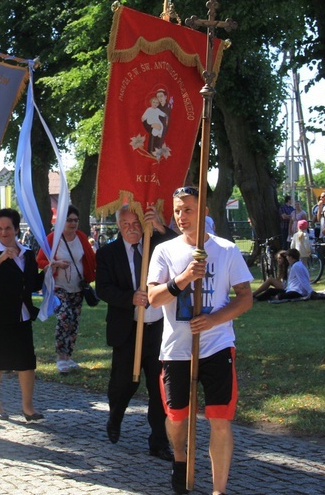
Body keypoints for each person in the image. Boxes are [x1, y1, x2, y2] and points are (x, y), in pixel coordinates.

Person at [147, 186, 253, 495]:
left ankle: (218, 489)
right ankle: (180, 457)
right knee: (177, 417)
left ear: (203, 210)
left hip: (217, 345)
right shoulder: (164, 251)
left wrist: (213, 319)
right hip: (177, 348)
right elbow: (154, 298)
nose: (181, 216)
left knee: (219, 419)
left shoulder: (226, 250)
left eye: (188, 209)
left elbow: (244, 298)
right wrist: (183, 278)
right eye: (177, 210)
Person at [95, 204, 176, 460]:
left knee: (159, 388)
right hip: (127, 329)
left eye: (136, 224)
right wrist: (131, 297)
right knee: (123, 384)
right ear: (118, 226)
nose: (132, 229)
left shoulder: (158, 245)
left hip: (158, 329)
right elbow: (103, 289)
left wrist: (163, 228)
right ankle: (115, 418)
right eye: (126, 225)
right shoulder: (108, 253)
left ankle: (159, 442)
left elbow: (182, 250)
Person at [0, 208, 45, 421]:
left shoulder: (27, 253)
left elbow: (30, 283)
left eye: (8, 228)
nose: (4, 233)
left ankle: (28, 408)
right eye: (0, 228)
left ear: (16, 229)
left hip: (19, 315)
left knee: (26, 361)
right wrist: (2, 257)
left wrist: (49, 272)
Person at [36, 205, 97, 374]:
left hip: (77, 287)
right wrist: (55, 264)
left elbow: (90, 258)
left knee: (74, 322)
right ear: (61, 221)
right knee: (65, 316)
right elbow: (39, 261)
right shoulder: (52, 239)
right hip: (58, 287)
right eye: (69, 220)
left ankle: (68, 356)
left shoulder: (81, 237)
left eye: (76, 220)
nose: (73, 223)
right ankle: (61, 357)